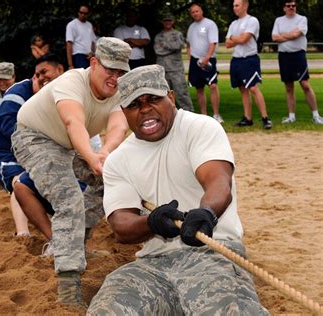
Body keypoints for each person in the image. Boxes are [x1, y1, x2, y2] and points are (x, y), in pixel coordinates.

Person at [87, 65, 269, 315]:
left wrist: (205, 213)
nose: (145, 109)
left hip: (212, 252)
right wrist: (152, 222)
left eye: (153, 99)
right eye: (134, 104)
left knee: (229, 310)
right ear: (123, 112)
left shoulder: (199, 127)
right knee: (107, 309)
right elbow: (121, 225)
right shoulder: (118, 161)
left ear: (170, 97)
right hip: (153, 264)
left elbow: (218, 181)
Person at [11, 37, 131, 306]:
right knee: (69, 200)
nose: (115, 77)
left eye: (121, 71)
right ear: (93, 63)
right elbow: (72, 121)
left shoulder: (120, 91)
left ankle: (77, 244)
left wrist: (104, 156)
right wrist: (91, 156)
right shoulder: (71, 82)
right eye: (109, 69)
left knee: (110, 182)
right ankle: (68, 287)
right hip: (36, 137)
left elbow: (117, 126)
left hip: (70, 143)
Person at [0, 54, 65, 238]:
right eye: (41, 76)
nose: (46, 84)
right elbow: (7, 126)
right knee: (20, 181)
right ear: (34, 77)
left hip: (34, 148)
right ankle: (23, 233)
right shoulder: (17, 95)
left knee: (46, 179)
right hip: (2, 151)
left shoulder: (57, 94)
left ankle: (52, 221)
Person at [271, 0, 323, 125]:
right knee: (289, 87)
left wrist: (283, 35)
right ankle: (291, 116)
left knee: (305, 84)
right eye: (288, 6)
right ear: (284, 8)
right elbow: (274, 37)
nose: (291, 8)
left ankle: (316, 115)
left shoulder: (302, 19)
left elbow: (297, 34)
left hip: (298, 55)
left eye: (293, 5)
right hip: (284, 56)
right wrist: (290, 35)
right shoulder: (279, 20)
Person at [225, 0, 272, 129]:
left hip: (249, 59)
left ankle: (265, 118)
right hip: (236, 59)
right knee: (243, 89)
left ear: (245, 6)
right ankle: (247, 118)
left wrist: (235, 38)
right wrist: (237, 38)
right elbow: (227, 44)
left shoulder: (252, 21)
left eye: (237, 5)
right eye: (233, 5)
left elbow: (244, 39)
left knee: (253, 88)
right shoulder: (233, 24)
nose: (235, 8)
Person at [186, 2, 224, 123]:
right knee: (199, 88)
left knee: (213, 86)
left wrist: (207, 58)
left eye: (197, 11)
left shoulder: (209, 24)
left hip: (208, 59)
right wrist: (190, 56)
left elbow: (213, 42)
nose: (195, 13)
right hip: (195, 61)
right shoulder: (191, 27)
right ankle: (204, 116)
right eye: (192, 12)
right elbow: (188, 44)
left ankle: (216, 115)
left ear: (201, 11)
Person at [154, 13, 194, 112]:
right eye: (165, 21)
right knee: (163, 93)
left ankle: (189, 114)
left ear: (173, 21)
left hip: (176, 69)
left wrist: (165, 45)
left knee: (181, 93)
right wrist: (172, 47)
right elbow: (157, 50)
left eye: (169, 20)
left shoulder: (177, 34)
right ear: (162, 22)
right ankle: (168, 114)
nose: (167, 22)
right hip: (163, 69)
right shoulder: (158, 36)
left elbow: (179, 46)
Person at [65, 4, 96, 70]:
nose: (83, 15)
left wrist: (92, 53)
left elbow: (93, 41)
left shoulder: (89, 25)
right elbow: (69, 44)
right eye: (81, 12)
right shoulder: (72, 25)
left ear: (88, 14)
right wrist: (70, 65)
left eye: (85, 13)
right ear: (78, 12)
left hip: (89, 56)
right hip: (78, 56)